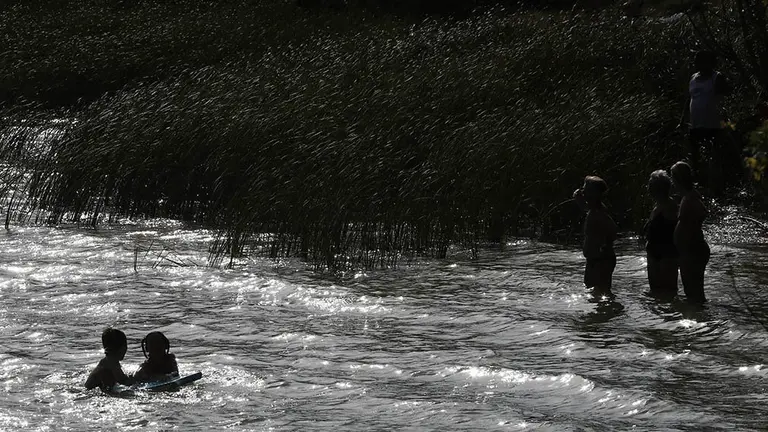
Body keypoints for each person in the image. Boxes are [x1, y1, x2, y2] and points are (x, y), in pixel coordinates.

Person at [678, 50, 733, 191]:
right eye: (697, 61)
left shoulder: (717, 77)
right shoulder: (693, 78)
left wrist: (726, 121)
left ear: (709, 62)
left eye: (701, 61)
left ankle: (718, 188)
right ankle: (699, 187)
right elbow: (689, 99)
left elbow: (727, 98)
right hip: (695, 126)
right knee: (696, 159)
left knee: (715, 159)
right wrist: (682, 120)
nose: (697, 64)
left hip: (713, 126)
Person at [671, 161, 710, 304]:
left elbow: (701, 213)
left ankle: (702, 316)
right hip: (690, 251)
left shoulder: (690, 198)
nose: (672, 183)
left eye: (673, 178)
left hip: (693, 252)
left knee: (694, 295)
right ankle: (700, 315)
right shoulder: (689, 197)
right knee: (693, 294)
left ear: (678, 179)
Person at [573, 176, 617, 299]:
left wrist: (602, 247)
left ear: (595, 193)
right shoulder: (594, 209)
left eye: (585, 190)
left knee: (601, 294)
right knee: (593, 294)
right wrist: (580, 202)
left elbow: (613, 230)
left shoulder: (600, 212)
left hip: (600, 261)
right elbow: (588, 210)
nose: (582, 192)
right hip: (594, 260)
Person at [644, 170, 679, 300]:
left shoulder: (671, 207)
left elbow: (675, 232)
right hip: (654, 254)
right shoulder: (658, 206)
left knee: (668, 293)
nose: (648, 189)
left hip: (666, 256)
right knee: (655, 294)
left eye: (651, 186)